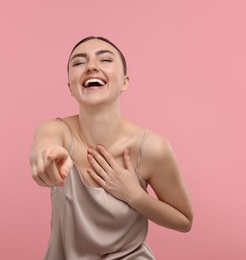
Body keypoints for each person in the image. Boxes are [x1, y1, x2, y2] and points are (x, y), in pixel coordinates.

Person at [29, 36, 193, 259]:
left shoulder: (152, 147)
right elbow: (44, 144)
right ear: (70, 87)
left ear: (125, 82)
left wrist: (135, 196)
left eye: (105, 60)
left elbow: (184, 220)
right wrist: (45, 158)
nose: (91, 67)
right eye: (79, 63)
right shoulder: (58, 131)